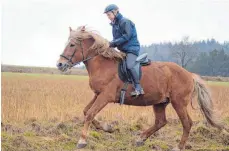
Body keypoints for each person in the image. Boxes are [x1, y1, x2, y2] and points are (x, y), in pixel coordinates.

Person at [104, 4, 144, 96]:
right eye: (107, 15)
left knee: (130, 65)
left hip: (132, 49)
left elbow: (126, 36)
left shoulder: (125, 21)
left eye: (109, 14)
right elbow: (115, 39)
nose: (108, 17)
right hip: (123, 50)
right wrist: (108, 45)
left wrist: (112, 43)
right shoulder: (114, 25)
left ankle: (138, 88)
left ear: (115, 12)